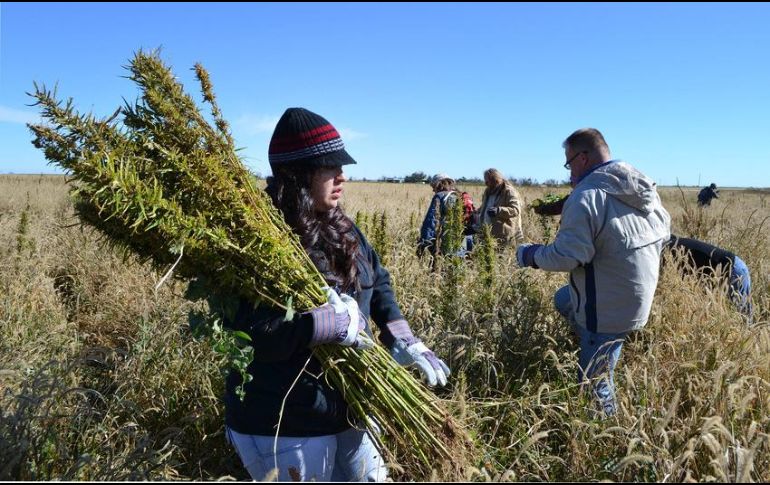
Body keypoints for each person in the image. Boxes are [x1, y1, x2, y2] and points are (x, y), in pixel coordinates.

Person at [220, 107, 451, 481]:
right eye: (329, 167)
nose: (342, 175)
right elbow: (248, 334)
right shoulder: (258, 239)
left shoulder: (340, 224)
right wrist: (318, 326)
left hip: (349, 406)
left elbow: (378, 281)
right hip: (284, 420)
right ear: (297, 174)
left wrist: (403, 336)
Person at [516, 128, 671, 417]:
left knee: (593, 383)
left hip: (604, 308)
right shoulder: (641, 187)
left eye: (569, 162)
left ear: (583, 158)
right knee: (563, 299)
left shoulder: (585, 196)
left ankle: (608, 437)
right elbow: (663, 234)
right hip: (636, 298)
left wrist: (530, 255)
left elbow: (568, 256)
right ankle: (593, 342)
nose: (568, 170)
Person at [665, 234, 752, 322]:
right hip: (732, 267)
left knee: (744, 317)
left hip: (734, 269)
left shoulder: (671, 249)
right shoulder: (675, 244)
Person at [417, 173, 474, 258]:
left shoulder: (440, 196)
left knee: (449, 266)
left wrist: (424, 241)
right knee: (461, 265)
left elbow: (431, 220)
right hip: (467, 236)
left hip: (450, 238)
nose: (433, 190)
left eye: (433, 186)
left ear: (438, 184)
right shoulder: (460, 195)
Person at [477, 168, 525, 247]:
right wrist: (477, 211)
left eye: (487, 181)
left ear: (495, 180)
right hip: (487, 232)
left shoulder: (508, 191)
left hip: (502, 235)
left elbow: (515, 210)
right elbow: (485, 206)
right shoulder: (488, 191)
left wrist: (499, 210)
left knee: (499, 257)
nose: (485, 183)